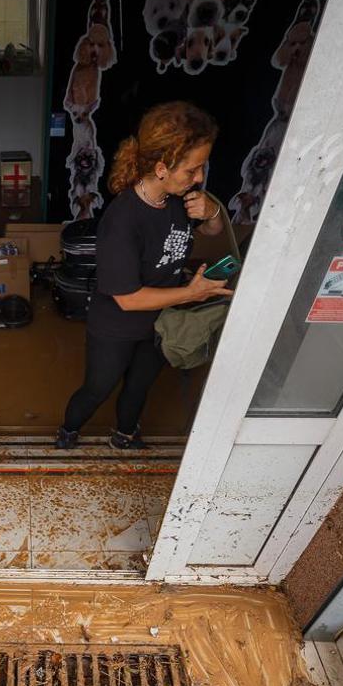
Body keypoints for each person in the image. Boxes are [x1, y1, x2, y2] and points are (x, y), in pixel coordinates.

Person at [57, 102, 230, 451]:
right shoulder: (122, 220)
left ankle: (124, 435)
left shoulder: (182, 197)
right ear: (162, 168)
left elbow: (211, 231)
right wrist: (191, 294)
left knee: (140, 386)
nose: (199, 178)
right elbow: (128, 298)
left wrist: (213, 210)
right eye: (192, 170)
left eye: (202, 168)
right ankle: (68, 431)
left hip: (162, 321)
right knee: (98, 388)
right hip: (116, 327)